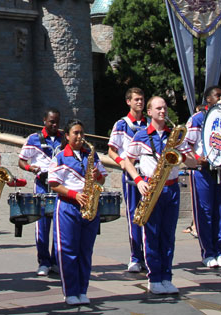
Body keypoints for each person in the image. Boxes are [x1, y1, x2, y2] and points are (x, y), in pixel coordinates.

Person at [121, 96, 181, 295]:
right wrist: (138, 181)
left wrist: (188, 156)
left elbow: (188, 161)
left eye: (164, 108)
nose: (163, 112)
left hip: (172, 187)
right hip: (151, 186)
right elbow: (127, 161)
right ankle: (154, 278)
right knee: (152, 234)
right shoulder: (141, 135)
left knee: (168, 235)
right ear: (149, 112)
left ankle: (167, 276)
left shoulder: (174, 135)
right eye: (158, 109)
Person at [48, 119, 107, 306]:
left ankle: (83, 289)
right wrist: (75, 195)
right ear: (67, 136)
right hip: (68, 206)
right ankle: (70, 291)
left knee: (85, 251)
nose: (80, 137)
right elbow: (54, 184)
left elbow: (102, 181)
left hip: (89, 205)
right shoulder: (60, 156)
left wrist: (97, 174)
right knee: (68, 251)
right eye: (76, 133)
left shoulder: (90, 154)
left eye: (82, 133)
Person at [180, 86, 221, 268]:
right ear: (208, 100)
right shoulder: (198, 118)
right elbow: (185, 143)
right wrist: (195, 158)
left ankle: (220, 251)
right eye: (217, 95)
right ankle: (207, 252)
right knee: (205, 212)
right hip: (203, 170)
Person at [18, 107, 63, 276]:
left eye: (57, 122)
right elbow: (21, 161)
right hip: (42, 184)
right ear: (44, 120)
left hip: (59, 185)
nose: (54, 125)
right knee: (42, 224)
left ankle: (56, 260)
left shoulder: (63, 139)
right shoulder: (33, 139)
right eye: (51, 122)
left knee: (59, 224)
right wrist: (31, 168)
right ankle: (43, 261)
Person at [108, 85, 148, 273]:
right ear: (128, 102)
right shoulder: (122, 124)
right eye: (136, 99)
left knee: (149, 213)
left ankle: (149, 254)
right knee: (133, 213)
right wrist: (121, 163)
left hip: (149, 172)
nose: (140, 102)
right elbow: (111, 150)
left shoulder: (149, 124)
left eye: (141, 99)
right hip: (132, 173)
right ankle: (135, 256)